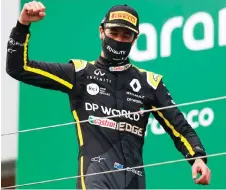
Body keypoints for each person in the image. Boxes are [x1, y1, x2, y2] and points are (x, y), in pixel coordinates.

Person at [6, 1, 211, 189]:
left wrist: (198, 158)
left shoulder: (150, 82)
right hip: (95, 176)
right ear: (101, 31)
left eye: (126, 35)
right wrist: (22, 25)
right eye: (114, 32)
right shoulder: (79, 73)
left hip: (134, 181)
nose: (119, 39)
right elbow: (18, 68)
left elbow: (179, 126)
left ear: (135, 38)